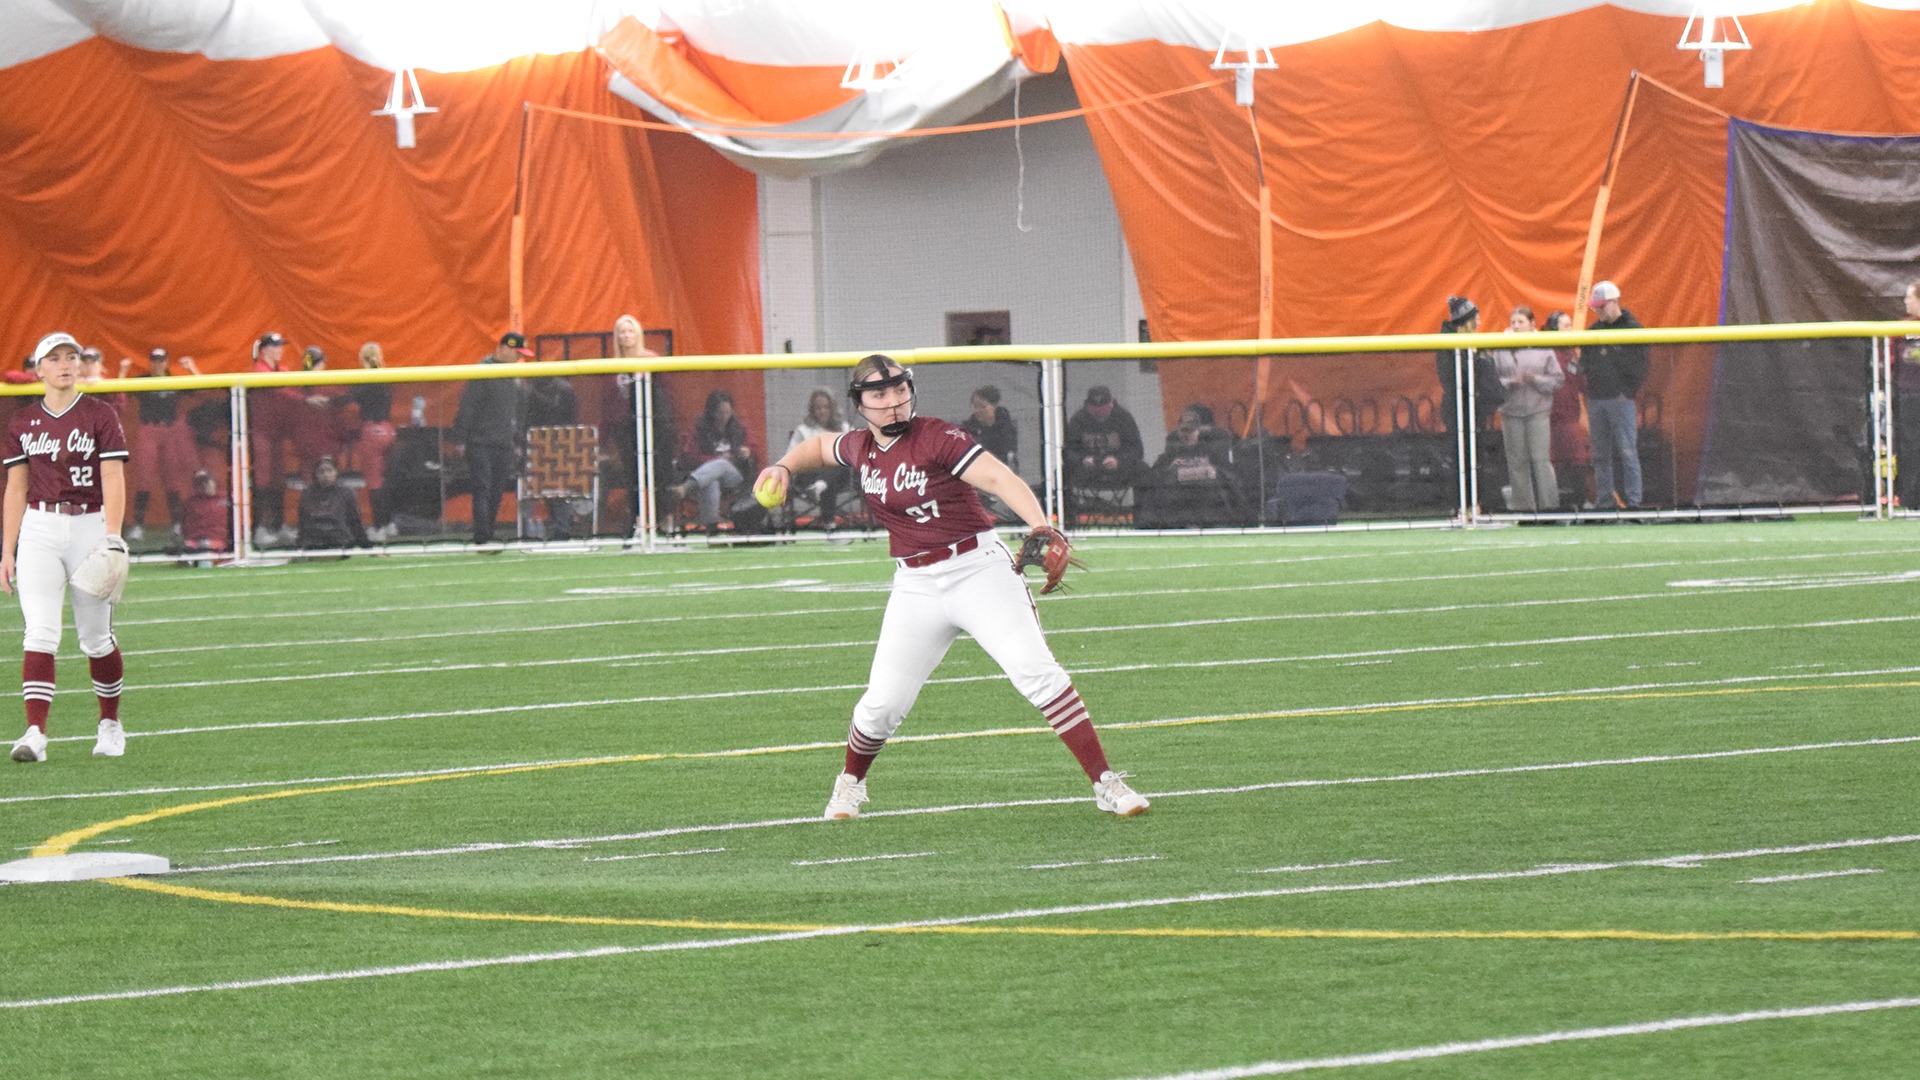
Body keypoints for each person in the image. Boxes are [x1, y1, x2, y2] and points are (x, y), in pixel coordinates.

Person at [752, 354, 1149, 820]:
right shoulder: (860, 445)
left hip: (978, 569)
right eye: (879, 394)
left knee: (1035, 670)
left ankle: (1106, 782)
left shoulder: (937, 436)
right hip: (916, 583)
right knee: (882, 705)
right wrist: (782, 465)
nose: (894, 402)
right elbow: (820, 446)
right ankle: (850, 782)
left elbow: (1000, 478)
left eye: (900, 390)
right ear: (860, 404)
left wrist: (1044, 526)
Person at [3, 332, 131, 763]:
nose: (64, 363)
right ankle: (35, 732)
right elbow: (16, 486)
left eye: (71, 357)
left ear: (79, 365)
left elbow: (113, 476)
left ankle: (110, 722)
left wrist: (112, 536)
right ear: (38, 369)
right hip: (39, 526)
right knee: (39, 631)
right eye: (54, 357)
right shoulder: (22, 422)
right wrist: (7, 549)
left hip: (89, 525)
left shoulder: (100, 413)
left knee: (96, 638)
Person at [450, 332, 529, 544]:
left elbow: (516, 414)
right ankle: (482, 535)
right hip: (481, 442)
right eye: (517, 353)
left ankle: (488, 532)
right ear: (504, 348)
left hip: (503, 443)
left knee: (495, 491)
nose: (518, 358)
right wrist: (460, 439)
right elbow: (468, 406)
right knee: (483, 489)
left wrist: (516, 441)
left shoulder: (514, 377)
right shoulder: (483, 371)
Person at [119, 347, 203, 543]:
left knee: (172, 477)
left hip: (170, 429)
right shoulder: (143, 380)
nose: (158, 365)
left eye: (161, 361)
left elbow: (200, 386)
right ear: (151, 362)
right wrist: (122, 372)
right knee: (144, 476)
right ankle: (138, 525)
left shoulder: (174, 380)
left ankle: (176, 524)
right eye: (155, 361)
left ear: (166, 362)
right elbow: (119, 391)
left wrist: (192, 368)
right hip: (148, 429)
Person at [1489, 306, 1565, 512]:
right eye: (1513, 322)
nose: (1516, 326)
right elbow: (1493, 380)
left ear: (1532, 324)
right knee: (1516, 462)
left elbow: (1557, 379)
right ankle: (1524, 508)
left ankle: (1550, 507)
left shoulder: (1543, 346)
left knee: (1541, 459)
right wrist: (1510, 382)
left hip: (1538, 411)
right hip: (1510, 411)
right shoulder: (1501, 347)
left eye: (1520, 322)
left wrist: (1535, 380)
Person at [1584, 280, 1650, 508]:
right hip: (1597, 400)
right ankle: (1605, 502)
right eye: (1596, 307)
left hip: (1620, 400)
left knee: (1627, 451)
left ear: (1614, 302)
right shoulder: (1593, 331)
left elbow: (1641, 366)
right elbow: (1586, 364)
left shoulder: (1633, 329)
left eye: (1602, 306)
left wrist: (1627, 392)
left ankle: (1633, 502)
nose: (1599, 311)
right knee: (1600, 455)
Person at [1138, 403, 1240, 527]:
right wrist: (1170, 468)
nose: (1186, 435)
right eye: (1183, 430)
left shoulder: (1211, 449)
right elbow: (1155, 475)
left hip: (1207, 498)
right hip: (1178, 501)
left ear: (1198, 431)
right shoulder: (1172, 450)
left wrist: (1212, 472)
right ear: (1178, 430)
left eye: (1190, 431)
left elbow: (1228, 474)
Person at [669, 389, 753, 537]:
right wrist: (715, 459)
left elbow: (754, 448)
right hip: (704, 475)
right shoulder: (700, 428)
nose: (724, 417)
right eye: (720, 412)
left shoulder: (739, 428)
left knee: (721, 465)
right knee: (711, 480)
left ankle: (685, 487)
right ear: (712, 412)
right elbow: (690, 456)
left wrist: (748, 451)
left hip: (734, 477)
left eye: (728, 412)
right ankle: (712, 529)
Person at [248, 332, 304, 547]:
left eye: (281, 345)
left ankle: (278, 525)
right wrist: (306, 399)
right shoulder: (259, 370)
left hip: (278, 434)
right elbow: (282, 392)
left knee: (278, 480)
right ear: (264, 350)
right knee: (262, 481)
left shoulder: (283, 370)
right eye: (275, 346)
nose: (280, 349)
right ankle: (259, 528)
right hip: (262, 433)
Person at [521, 359, 581, 539]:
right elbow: (572, 418)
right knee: (556, 486)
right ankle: (561, 526)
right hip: (557, 442)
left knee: (534, 486)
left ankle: (528, 529)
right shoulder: (564, 388)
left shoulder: (528, 391)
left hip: (538, 442)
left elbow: (523, 419)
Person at [348, 343, 399, 541]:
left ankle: (378, 526)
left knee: (374, 482)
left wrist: (327, 400)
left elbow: (349, 398)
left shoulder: (366, 379)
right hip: (387, 429)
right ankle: (389, 523)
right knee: (386, 481)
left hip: (371, 431)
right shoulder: (385, 377)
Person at [1544, 311, 1592, 507]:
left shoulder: (1571, 352)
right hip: (1550, 415)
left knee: (1576, 456)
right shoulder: (1547, 352)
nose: (1570, 330)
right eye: (1566, 326)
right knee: (1555, 459)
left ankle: (1578, 500)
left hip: (1569, 415)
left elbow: (1581, 383)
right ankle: (1556, 502)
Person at [783, 387, 850, 530]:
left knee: (835, 462)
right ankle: (829, 523)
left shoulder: (844, 428)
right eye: (818, 408)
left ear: (832, 409)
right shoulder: (803, 430)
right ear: (812, 410)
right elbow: (791, 455)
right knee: (827, 477)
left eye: (826, 407)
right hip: (809, 474)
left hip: (839, 475)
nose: (822, 411)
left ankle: (819, 487)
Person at [1063, 385, 1146, 496]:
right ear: (1087, 406)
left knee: (1142, 470)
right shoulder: (1078, 420)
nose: (1100, 413)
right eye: (1095, 410)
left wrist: (1119, 461)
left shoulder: (1124, 418)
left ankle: (1140, 511)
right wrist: (1082, 460)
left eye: (1104, 409)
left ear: (1111, 403)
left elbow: (1136, 450)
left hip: (1119, 470)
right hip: (1088, 470)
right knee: (1062, 473)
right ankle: (1071, 510)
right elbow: (1068, 451)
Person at [296, 456, 369, 550]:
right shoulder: (307, 493)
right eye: (321, 471)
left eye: (329, 470)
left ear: (336, 472)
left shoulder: (346, 492)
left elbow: (355, 521)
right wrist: (299, 544)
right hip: (313, 542)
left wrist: (366, 545)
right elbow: (303, 522)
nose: (326, 474)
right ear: (316, 474)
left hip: (340, 541)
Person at [180, 469, 231, 558]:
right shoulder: (191, 503)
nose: (204, 486)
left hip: (220, 541)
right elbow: (185, 527)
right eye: (200, 484)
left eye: (207, 482)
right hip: (195, 541)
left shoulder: (227, 499)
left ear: (214, 482)